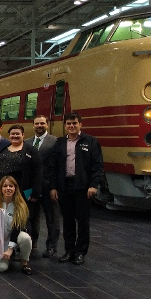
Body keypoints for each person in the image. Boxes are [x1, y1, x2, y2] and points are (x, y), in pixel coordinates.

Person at [48, 112, 104, 265]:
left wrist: (93, 185)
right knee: (67, 220)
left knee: (83, 220)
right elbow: (53, 167)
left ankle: (80, 252)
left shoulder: (90, 142)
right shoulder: (59, 143)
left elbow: (97, 165)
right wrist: (53, 187)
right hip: (64, 186)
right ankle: (69, 250)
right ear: (65, 126)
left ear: (81, 124)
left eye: (74, 123)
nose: (71, 126)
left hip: (83, 187)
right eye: (68, 124)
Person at [25, 115, 60, 257]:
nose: (39, 125)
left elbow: (57, 165)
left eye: (42, 123)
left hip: (48, 186)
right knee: (31, 217)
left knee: (52, 217)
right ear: (33, 125)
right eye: (37, 123)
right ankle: (32, 243)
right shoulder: (27, 142)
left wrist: (55, 186)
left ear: (47, 125)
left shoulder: (55, 142)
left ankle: (51, 247)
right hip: (31, 187)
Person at [0, 125, 42, 216]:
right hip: (5, 192)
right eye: (12, 134)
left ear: (23, 135)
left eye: (17, 134)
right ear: (9, 135)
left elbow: (38, 171)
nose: (15, 136)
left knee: (23, 217)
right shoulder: (4, 149)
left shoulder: (31, 150)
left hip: (22, 192)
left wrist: (36, 192)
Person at [0, 176, 34, 275]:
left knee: (26, 238)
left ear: (15, 188)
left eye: (11, 186)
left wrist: (10, 248)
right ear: (1, 188)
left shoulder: (21, 205)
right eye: (5, 186)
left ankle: (24, 263)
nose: (8, 188)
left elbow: (17, 228)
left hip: (14, 237)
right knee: (2, 268)